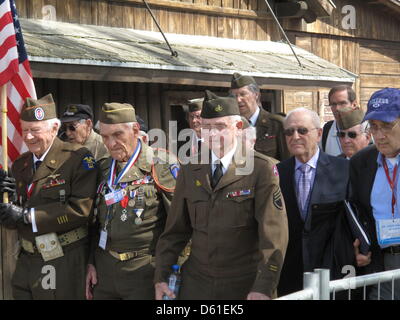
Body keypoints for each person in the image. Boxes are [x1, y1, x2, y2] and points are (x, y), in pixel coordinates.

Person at [154, 90, 288, 300]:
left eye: (220, 127)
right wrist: (161, 277)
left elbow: (273, 238)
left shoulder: (261, 169)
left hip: (243, 286)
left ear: (238, 127)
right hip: (197, 286)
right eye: (206, 127)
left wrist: (264, 287)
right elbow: (174, 232)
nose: (212, 134)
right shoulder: (190, 169)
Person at [0, 94, 98, 299]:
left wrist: (27, 216)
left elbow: (81, 210)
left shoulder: (77, 158)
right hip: (26, 260)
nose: (28, 137)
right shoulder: (20, 164)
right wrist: (5, 202)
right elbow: (13, 217)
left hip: (62, 259)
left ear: (54, 129)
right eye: (24, 130)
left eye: (35, 130)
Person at [85, 102, 178, 300]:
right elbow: (94, 222)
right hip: (105, 272)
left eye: (117, 135)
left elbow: (180, 224)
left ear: (135, 130)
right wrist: (91, 262)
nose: (110, 144)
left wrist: (171, 273)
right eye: (105, 137)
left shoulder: (160, 164)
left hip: (145, 271)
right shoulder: (102, 168)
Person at [277, 107, 351, 296]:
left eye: (302, 130)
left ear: (318, 134)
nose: (295, 136)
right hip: (290, 272)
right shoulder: (277, 173)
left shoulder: (343, 169)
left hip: (332, 270)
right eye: (289, 132)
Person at [349, 88, 400, 300]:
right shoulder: (361, 162)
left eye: (387, 126)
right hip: (381, 263)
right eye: (374, 127)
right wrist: (357, 244)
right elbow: (355, 210)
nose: (379, 135)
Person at [230, 72, 289, 161]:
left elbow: (288, 161)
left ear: (256, 94)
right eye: (234, 96)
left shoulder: (276, 124)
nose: (238, 100)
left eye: (243, 94)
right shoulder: (230, 126)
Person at [322, 85, 359, 156]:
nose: (337, 108)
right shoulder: (327, 130)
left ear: (354, 105)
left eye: (342, 103)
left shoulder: (369, 129)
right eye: (333, 104)